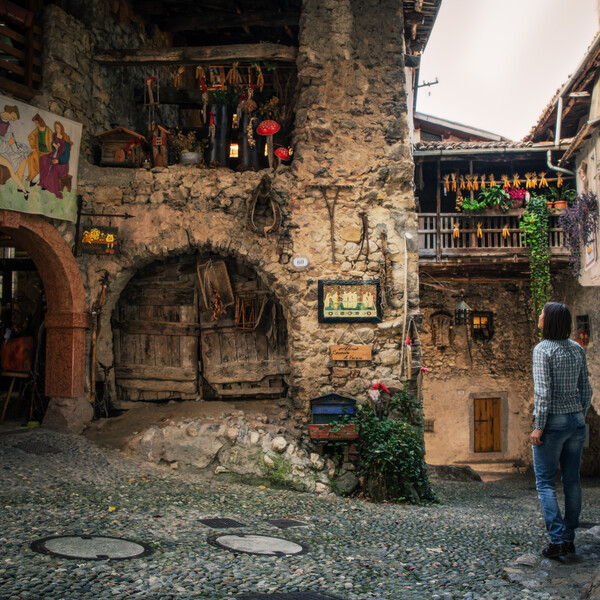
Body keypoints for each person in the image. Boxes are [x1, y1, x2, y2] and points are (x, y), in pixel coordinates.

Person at [531, 302, 592, 558]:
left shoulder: (542, 350)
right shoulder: (577, 349)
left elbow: (543, 394)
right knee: (572, 481)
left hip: (553, 422)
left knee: (545, 483)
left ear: (550, 321)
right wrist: (579, 416)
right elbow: (586, 390)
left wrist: (539, 427)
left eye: (542, 313)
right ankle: (569, 539)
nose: (540, 315)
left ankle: (556, 541)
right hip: (576, 421)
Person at [0, 104, 29, 197]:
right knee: (11, 167)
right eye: (13, 117)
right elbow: (6, 143)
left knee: (23, 159)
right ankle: (24, 191)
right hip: (1, 150)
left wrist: (18, 151)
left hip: (6, 150)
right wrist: (8, 143)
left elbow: (10, 139)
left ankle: (19, 188)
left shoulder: (8, 124)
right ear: (10, 111)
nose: (13, 120)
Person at [39, 121, 71, 199]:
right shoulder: (54, 136)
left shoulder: (65, 141)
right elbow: (51, 143)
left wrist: (58, 161)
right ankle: (44, 183)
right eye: (55, 127)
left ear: (61, 128)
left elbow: (66, 157)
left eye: (58, 127)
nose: (57, 129)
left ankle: (48, 186)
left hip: (62, 163)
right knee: (43, 160)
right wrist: (53, 143)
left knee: (53, 168)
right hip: (53, 155)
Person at [27, 113, 52, 184]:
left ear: (40, 122)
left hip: (47, 151)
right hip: (38, 150)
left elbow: (52, 140)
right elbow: (30, 137)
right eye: (35, 123)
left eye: (37, 123)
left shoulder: (48, 130)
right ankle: (32, 176)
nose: (36, 124)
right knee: (31, 157)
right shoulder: (37, 130)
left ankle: (40, 179)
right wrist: (33, 147)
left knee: (43, 162)